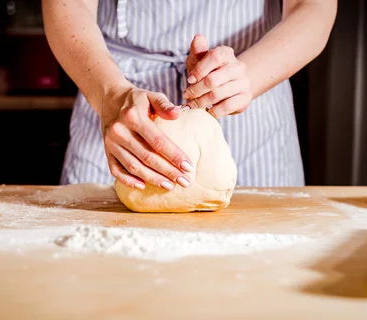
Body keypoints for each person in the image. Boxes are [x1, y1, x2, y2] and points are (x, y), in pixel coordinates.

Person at [42, 0, 337, 191]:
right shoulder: (112, 96)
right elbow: (68, 5)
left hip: (251, 94)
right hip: (117, 98)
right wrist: (110, 94)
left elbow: (312, 7)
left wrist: (250, 74)